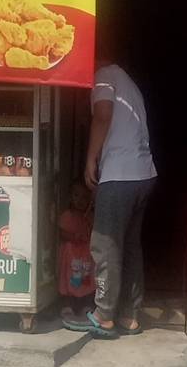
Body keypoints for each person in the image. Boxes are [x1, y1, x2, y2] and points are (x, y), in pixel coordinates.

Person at [73, 55, 156, 339]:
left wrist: (90, 159)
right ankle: (130, 316)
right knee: (131, 247)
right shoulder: (129, 83)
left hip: (119, 176)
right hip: (143, 174)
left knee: (105, 244)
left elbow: (103, 114)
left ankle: (104, 315)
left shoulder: (104, 75)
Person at [58, 181, 95, 323]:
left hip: (85, 255)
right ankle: (68, 303)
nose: (80, 200)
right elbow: (62, 233)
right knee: (69, 280)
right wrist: (74, 237)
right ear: (70, 197)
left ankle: (85, 303)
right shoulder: (67, 215)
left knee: (85, 279)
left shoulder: (90, 217)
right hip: (71, 254)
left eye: (85, 197)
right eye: (76, 195)